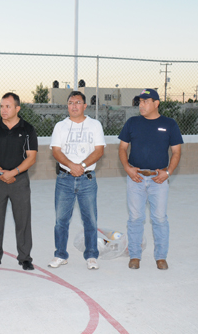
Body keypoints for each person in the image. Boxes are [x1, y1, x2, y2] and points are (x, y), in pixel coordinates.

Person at [118, 89, 183, 270]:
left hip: (159, 179)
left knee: (160, 219)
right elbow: (122, 148)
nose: (141, 105)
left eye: (146, 101)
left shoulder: (169, 124)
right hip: (136, 178)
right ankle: (135, 256)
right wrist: (127, 168)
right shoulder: (132, 123)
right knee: (135, 218)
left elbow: (176, 152)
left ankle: (161, 257)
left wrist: (168, 172)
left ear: (156, 103)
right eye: (139, 102)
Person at [49, 91, 105, 270]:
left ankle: (91, 255)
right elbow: (56, 151)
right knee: (61, 220)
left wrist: (81, 165)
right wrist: (71, 166)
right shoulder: (60, 126)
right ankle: (60, 255)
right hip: (64, 179)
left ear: (84, 106)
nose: (74, 106)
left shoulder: (94, 125)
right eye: (71, 103)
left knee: (90, 220)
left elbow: (99, 150)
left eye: (78, 102)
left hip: (87, 179)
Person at [0, 92, 38, 271]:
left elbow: (31, 158)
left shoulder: (27, 129)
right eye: (1, 106)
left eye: (8, 106)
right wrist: (1, 172)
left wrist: (13, 172)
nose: (3, 110)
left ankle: (25, 258)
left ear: (17, 108)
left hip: (19, 181)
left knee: (23, 220)